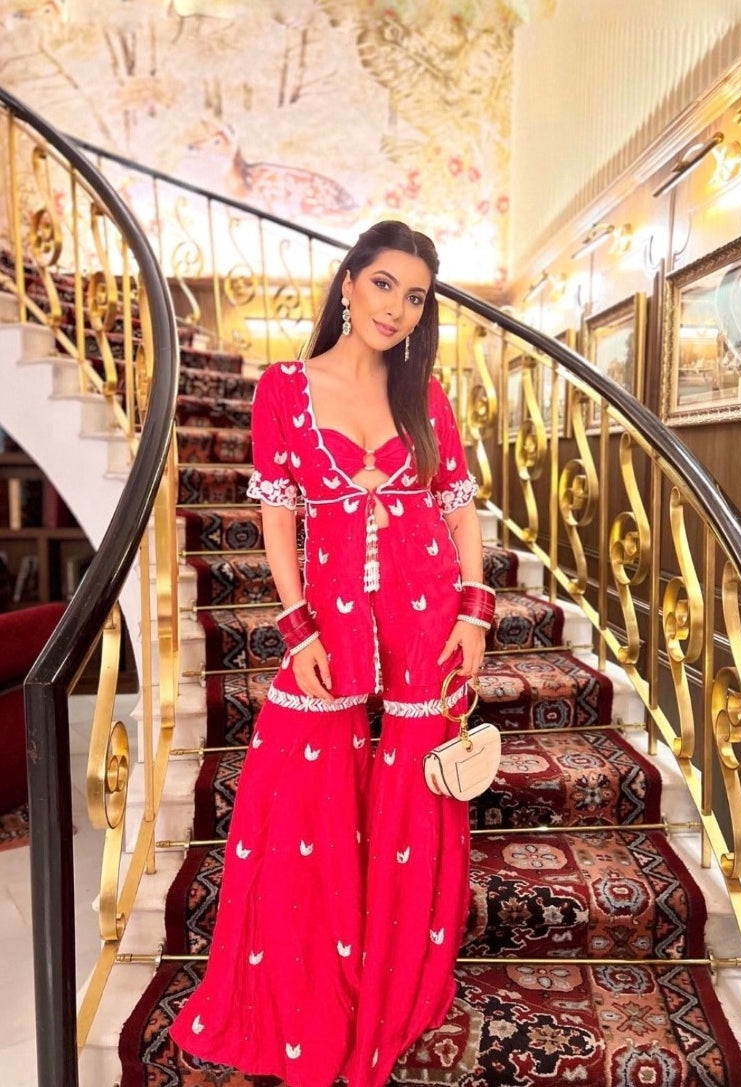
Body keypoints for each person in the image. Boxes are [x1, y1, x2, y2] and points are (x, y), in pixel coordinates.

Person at [170, 219, 495, 1086]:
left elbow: (457, 504)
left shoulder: (425, 393)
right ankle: (313, 990)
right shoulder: (284, 388)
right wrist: (297, 625)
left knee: (416, 795)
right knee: (301, 790)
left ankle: (396, 983)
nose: (397, 307)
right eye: (384, 284)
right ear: (348, 282)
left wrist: (474, 612)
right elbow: (277, 513)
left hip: (427, 611)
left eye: (415, 296)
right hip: (333, 617)